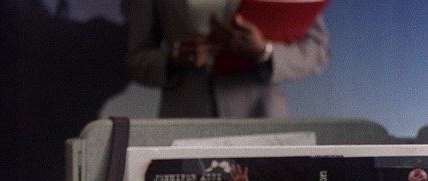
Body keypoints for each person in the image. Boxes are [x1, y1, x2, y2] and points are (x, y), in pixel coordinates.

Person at [123, 0, 330, 118]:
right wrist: (174, 57)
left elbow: (317, 51)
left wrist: (264, 52)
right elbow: (137, 59)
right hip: (186, 115)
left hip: (262, 115)